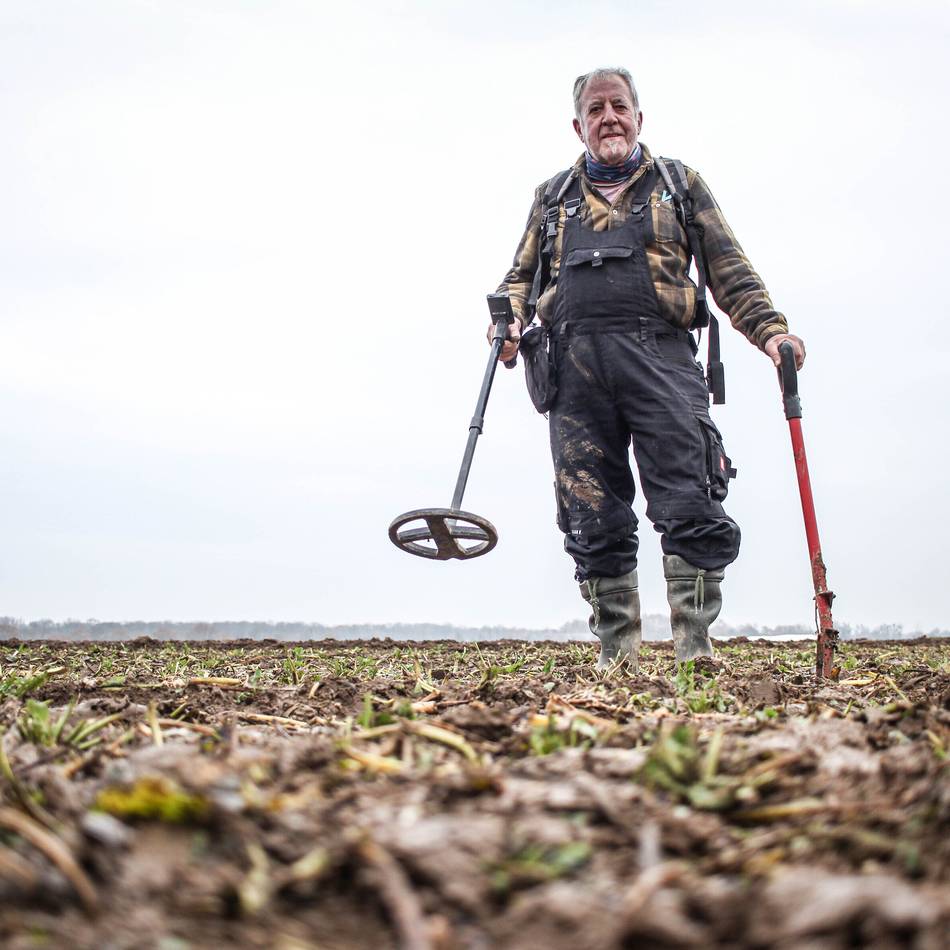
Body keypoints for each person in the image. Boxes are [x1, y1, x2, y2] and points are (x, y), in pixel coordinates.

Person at [490, 67, 805, 671]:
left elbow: (730, 271)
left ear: (639, 117)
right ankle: (619, 657)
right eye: (596, 109)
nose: (608, 118)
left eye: (619, 106)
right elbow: (518, 281)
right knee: (592, 514)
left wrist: (771, 332)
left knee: (690, 500)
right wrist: (505, 325)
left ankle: (694, 652)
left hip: (661, 360)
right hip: (573, 371)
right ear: (578, 126)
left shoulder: (678, 185)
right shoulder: (552, 198)